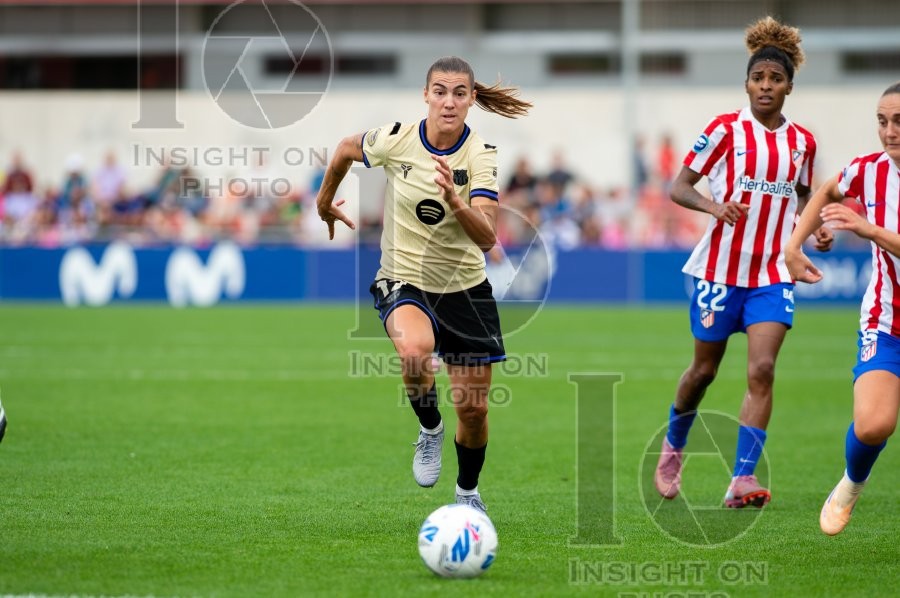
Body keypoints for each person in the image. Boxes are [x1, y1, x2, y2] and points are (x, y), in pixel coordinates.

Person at [315, 56, 531, 513]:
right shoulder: (397, 139)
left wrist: (455, 198)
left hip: (465, 289)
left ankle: (467, 492)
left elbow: (487, 237)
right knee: (414, 350)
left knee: (474, 411)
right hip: (403, 278)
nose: (448, 102)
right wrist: (323, 201)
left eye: (459, 93)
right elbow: (345, 149)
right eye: (440, 91)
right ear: (426, 95)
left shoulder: (481, 155)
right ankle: (430, 427)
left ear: (472, 99)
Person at [653, 17, 834, 508]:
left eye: (775, 79)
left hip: (773, 272)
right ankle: (674, 444)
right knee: (703, 371)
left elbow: (802, 195)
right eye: (758, 78)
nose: (766, 86)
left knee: (763, 369)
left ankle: (742, 478)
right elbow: (679, 186)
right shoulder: (724, 130)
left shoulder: (803, 142)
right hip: (719, 270)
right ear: (747, 84)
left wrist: (814, 225)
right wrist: (714, 207)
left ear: (789, 87)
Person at [785, 81, 900, 535]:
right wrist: (795, 244)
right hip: (887, 318)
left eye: (899, 121)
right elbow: (828, 192)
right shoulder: (868, 170)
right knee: (872, 425)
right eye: (882, 121)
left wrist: (869, 230)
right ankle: (851, 485)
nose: (889, 131)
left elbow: (869, 229)